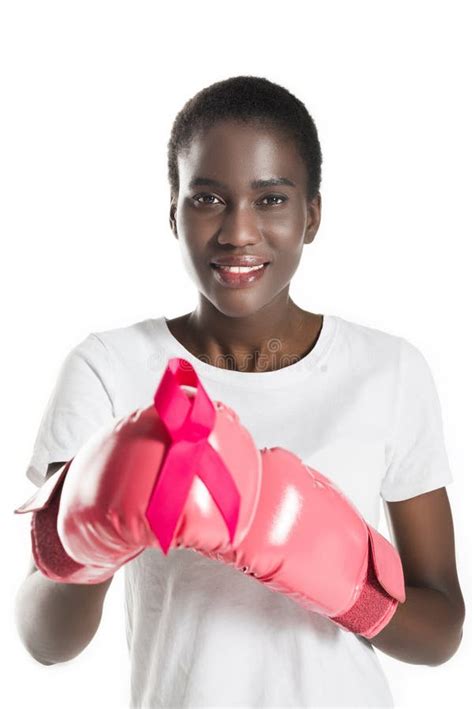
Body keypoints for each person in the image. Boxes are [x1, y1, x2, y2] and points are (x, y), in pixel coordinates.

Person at [16, 75, 465, 708]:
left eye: (272, 200)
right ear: (172, 208)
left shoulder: (387, 369)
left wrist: (346, 587)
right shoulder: (109, 368)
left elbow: (443, 628)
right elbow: (44, 640)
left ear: (312, 214)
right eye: (207, 198)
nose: (238, 232)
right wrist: (94, 538)